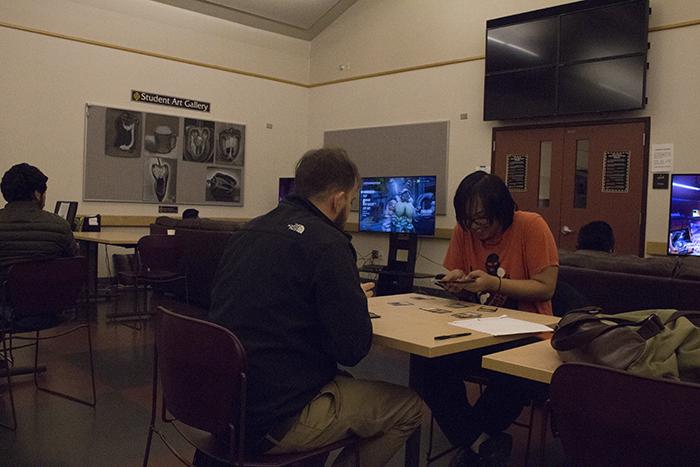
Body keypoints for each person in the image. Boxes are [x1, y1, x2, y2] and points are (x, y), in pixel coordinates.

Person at [204, 148, 423, 467]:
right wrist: (354, 299)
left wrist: (341, 293)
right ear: (338, 199)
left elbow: (276, 297)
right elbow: (352, 348)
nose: (349, 208)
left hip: (222, 404)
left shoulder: (248, 231)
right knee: (408, 408)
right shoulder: (329, 244)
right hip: (274, 419)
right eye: (351, 201)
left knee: (342, 381)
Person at [424, 171, 559, 467]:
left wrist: (493, 284)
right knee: (427, 363)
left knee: (515, 375)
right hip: (478, 327)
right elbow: (459, 273)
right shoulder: (465, 232)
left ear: (503, 210)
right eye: (468, 221)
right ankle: (480, 442)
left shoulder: (531, 226)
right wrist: (456, 281)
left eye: (482, 220)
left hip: (529, 333)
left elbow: (546, 286)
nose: (475, 228)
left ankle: (474, 444)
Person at [0, 163, 78, 330]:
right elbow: (72, 261)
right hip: (51, 310)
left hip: (5, 313)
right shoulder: (60, 226)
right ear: (37, 194)